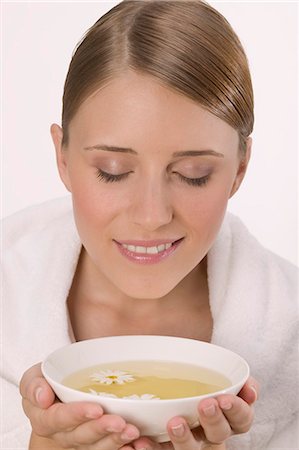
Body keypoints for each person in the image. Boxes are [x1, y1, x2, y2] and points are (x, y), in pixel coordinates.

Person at [2, 0, 298, 449]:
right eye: (114, 170)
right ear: (62, 157)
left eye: (193, 174)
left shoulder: (289, 335)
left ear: (239, 169)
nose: (151, 215)